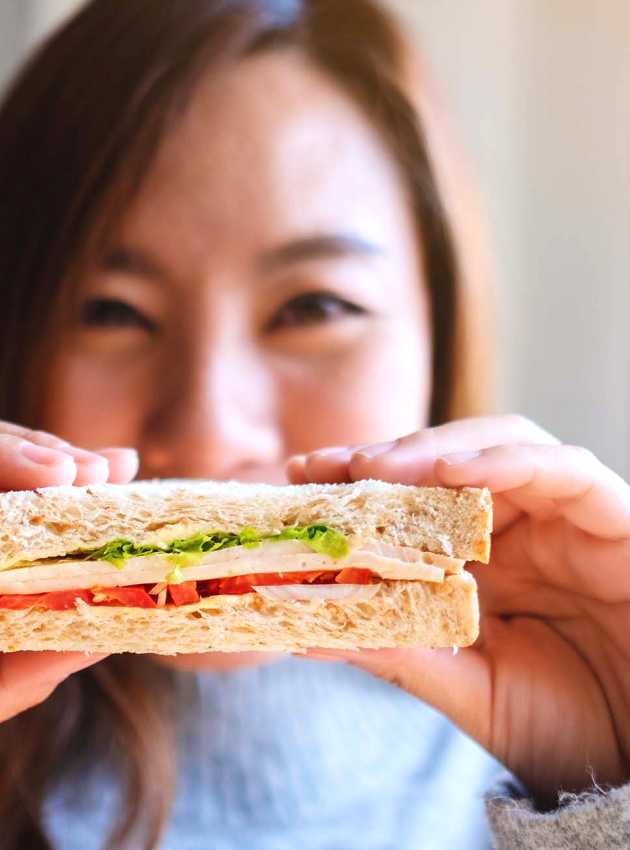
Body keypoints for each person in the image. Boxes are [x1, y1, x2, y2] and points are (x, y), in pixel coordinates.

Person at [0, 1, 627, 848]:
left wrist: (606, 787)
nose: (214, 430)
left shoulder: (577, 772)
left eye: (313, 305)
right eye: (112, 310)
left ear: (438, 330)